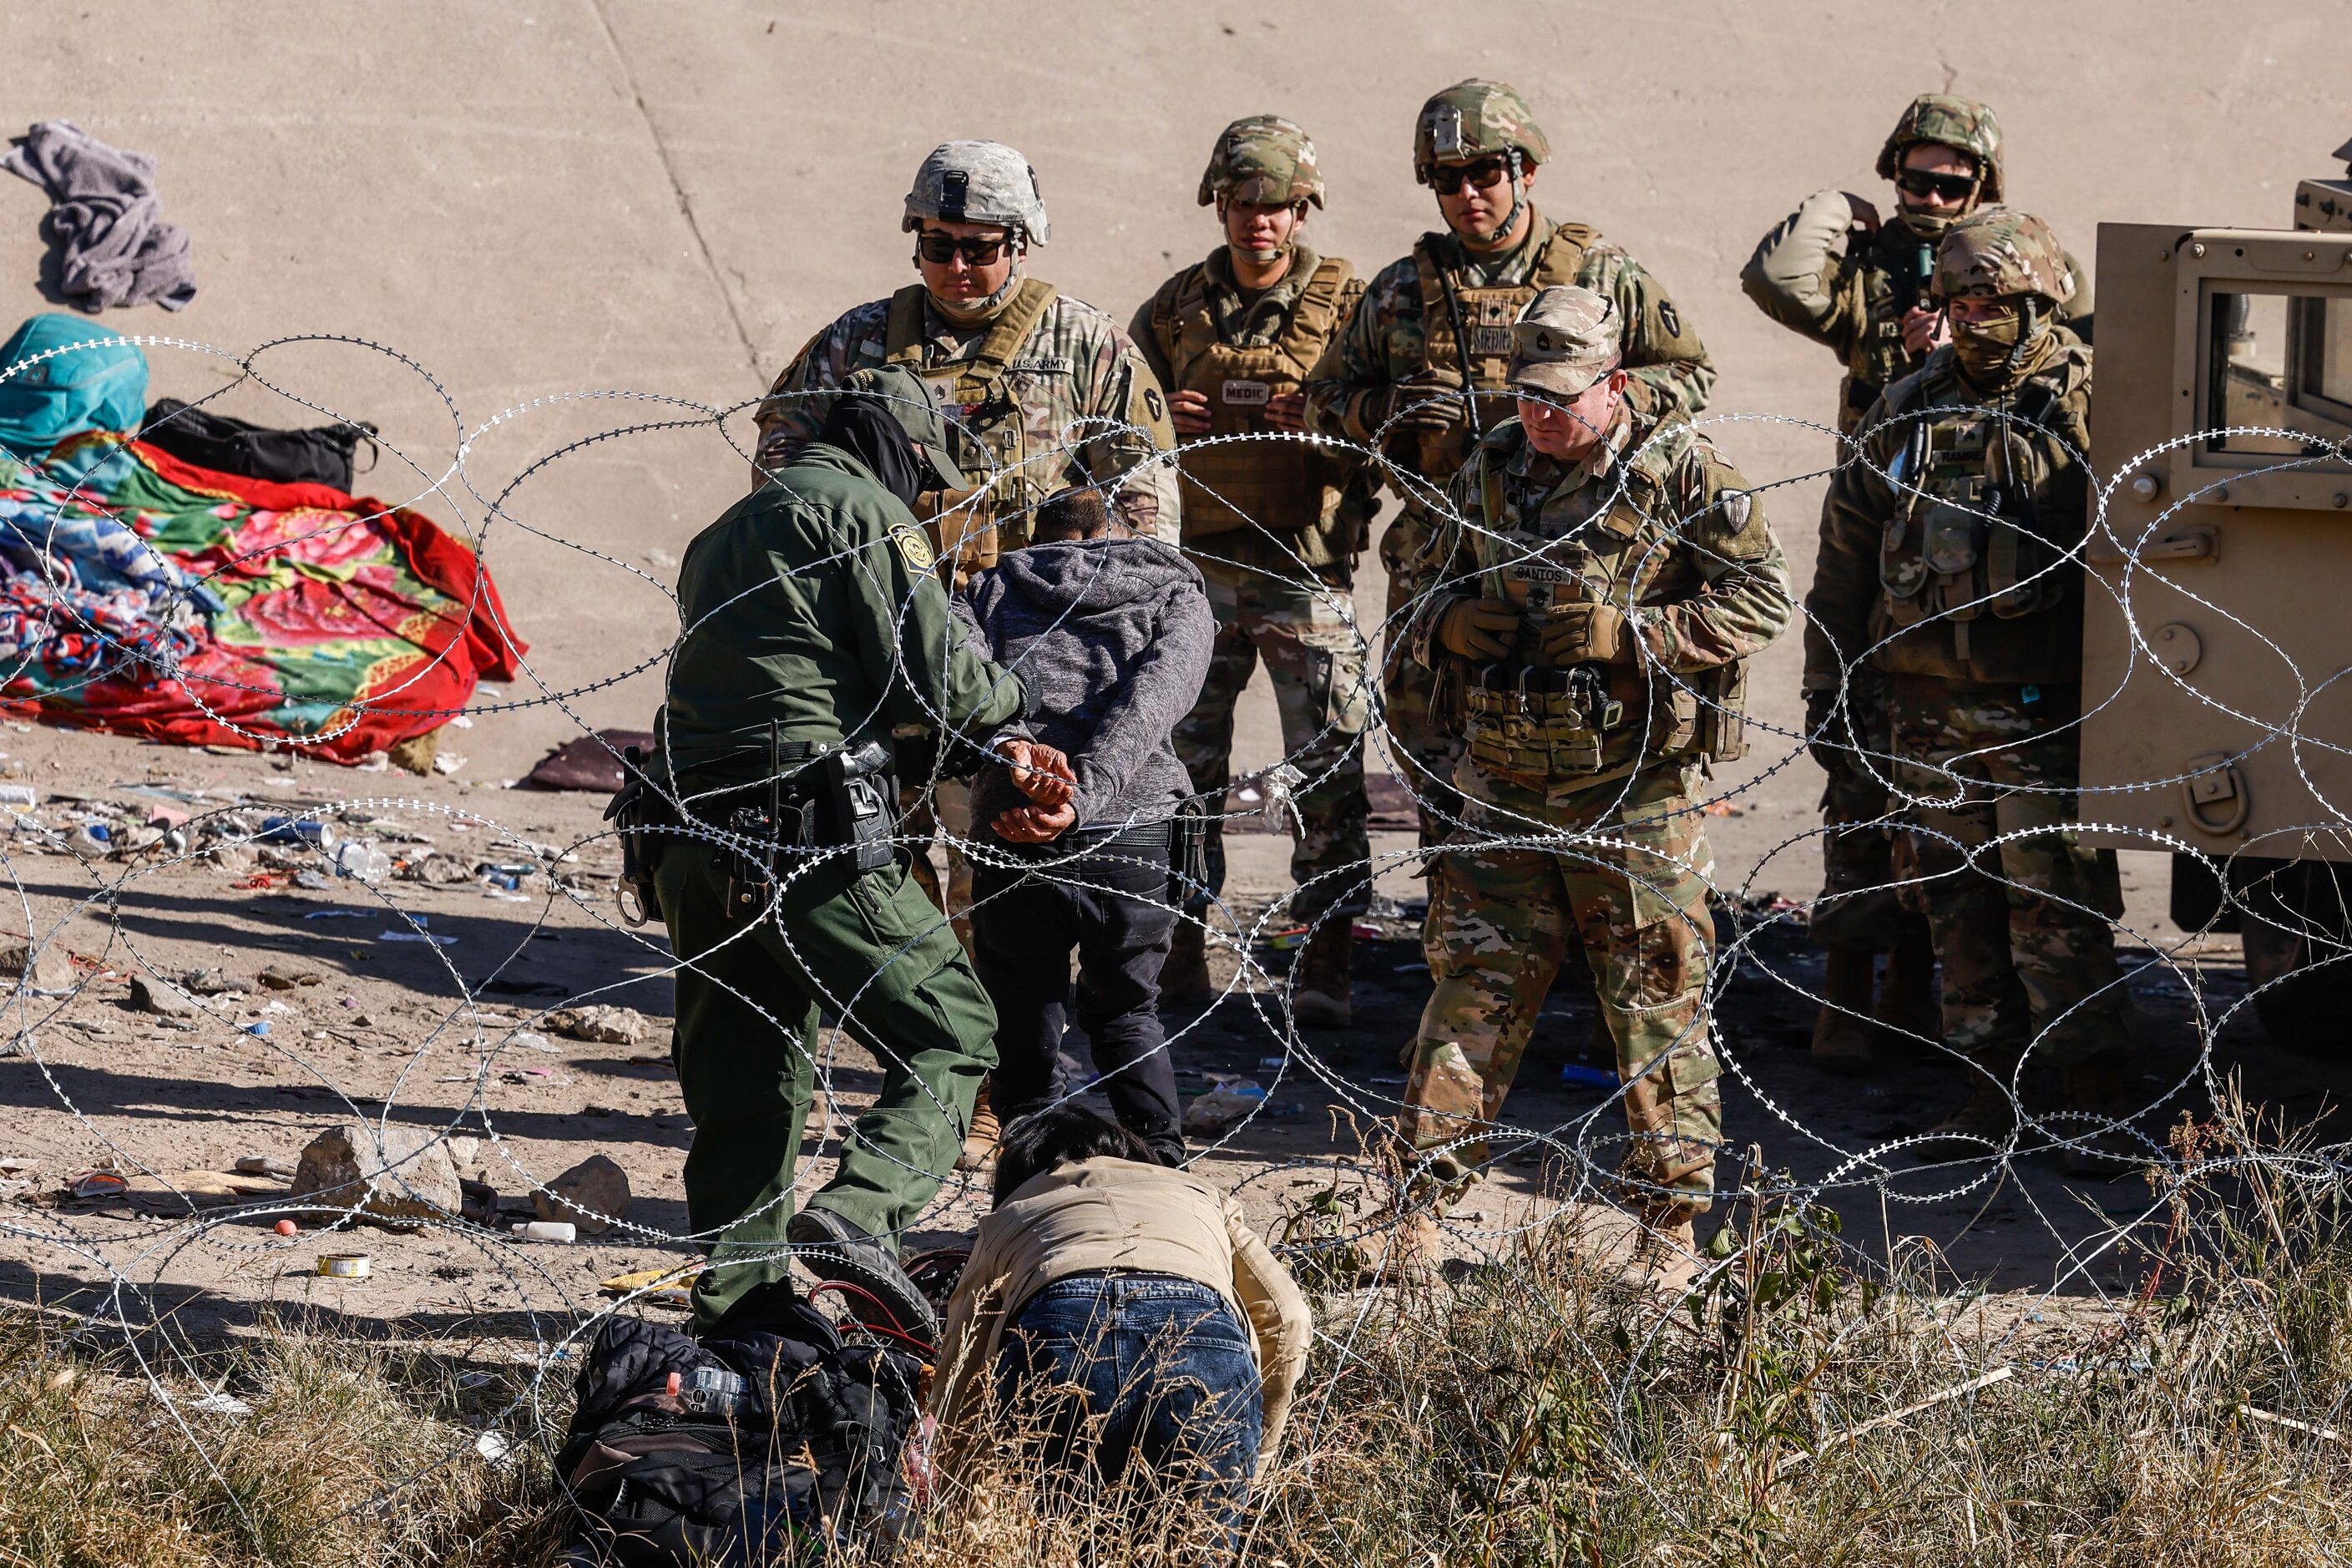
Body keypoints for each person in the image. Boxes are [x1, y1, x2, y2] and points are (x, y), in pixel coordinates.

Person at [753, 140, 1183, 1166]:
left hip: (1009, 668)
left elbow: (1149, 512)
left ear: (1020, 244)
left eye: (981, 249)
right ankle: (923, 1069)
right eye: (938, 246)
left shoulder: (1083, 346)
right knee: (875, 875)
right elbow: (782, 470)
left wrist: (1074, 583)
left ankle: (986, 1092)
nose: (956, 268)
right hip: (881, 650)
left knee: (989, 890)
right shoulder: (859, 343)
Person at [635, 365, 1070, 1338]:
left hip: (691, 838)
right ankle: (859, 1217)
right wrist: (1010, 719)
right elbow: (938, 678)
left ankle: (741, 1322)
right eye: (927, 477)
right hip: (807, 835)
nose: (925, 499)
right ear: (905, 449)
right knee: (954, 1030)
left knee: (748, 1082)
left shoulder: (729, 528)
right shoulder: (866, 513)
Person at [1386, 286, 1792, 1282]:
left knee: (1653, 1001)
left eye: (1562, 397)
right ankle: (1415, 1212)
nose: (1541, 415)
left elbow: (1764, 595)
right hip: (1506, 781)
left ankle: (1669, 1227)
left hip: (1635, 791)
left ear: (1613, 384)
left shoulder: (1680, 472)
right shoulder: (1490, 471)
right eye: (1527, 395)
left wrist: (1640, 635)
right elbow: (1414, 571)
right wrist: (1444, 623)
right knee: (1472, 995)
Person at [1743, 94, 2091, 1069]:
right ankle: (1860, 996)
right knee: (1877, 821)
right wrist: (1835, 207)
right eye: (1916, 178)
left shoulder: (2037, 303)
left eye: (1955, 182)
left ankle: (1995, 1040)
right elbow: (1779, 280)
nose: (1933, 197)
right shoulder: (1883, 292)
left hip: (2017, 633)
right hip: (1903, 574)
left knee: (2025, 874)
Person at [1304, 79, 1714, 852]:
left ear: (1525, 170)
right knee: (1433, 741)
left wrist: (1587, 406)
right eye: (1446, 180)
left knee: (1581, 743)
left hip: (1579, 546)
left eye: (1485, 173)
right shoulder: (1400, 290)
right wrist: (1389, 408)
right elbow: (1322, 399)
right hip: (1444, 553)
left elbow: (1688, 376)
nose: (1468, 195)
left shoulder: (1598, 274)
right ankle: (1468, 924)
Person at [1806, 208, 2132, 1167]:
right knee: (1955, 909)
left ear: (2038, 300)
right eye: (1959, 301)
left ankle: (2086, 1095)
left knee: (2056, 913)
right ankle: (1987, 1091)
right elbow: (1844, 565)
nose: (1973, 319)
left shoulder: (2090, 404)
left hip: (2044, 710)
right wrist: (1832, 690)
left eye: (1993, 301)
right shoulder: (1906, 407)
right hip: (1923, 712)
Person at [1132, 114, 1375, 1027]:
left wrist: (1322, 411)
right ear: (1218, 204)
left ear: (1302, 209)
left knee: (1328, 764)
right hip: (1198, 569)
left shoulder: (1350, 305)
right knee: (1180, 763)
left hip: (1303, 570)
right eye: (1242, 203)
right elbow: (1119, 421)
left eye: (1275, 205)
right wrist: (1168, 416)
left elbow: (1392, 418)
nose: (1258, 221)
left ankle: (1325, 953)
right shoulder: (1175, 305)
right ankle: (1179, 943)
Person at [959, 487, 1214, 1167]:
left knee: (1023, 1020)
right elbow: (1156, 700)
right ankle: (1163, 1175)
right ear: (1122, 531)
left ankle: (1024, 1195)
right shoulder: (1173, 590)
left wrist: (1017, 752)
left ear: (1038, 533)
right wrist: (1086, 794)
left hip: (1012, 826)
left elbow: (964, 688)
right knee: (1127, 1013)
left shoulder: (983, 589)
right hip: (1130, 834)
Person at [929, 1105, 1313, 1557]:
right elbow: (1288, 1319)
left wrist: (953, 1502)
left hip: (1061, 1330)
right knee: (1194, 1549)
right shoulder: (1202, 1194)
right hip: (1202, 1332)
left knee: (1063, 1545)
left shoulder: (1014, 1213)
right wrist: (1257, 1457)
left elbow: (964, 1357)